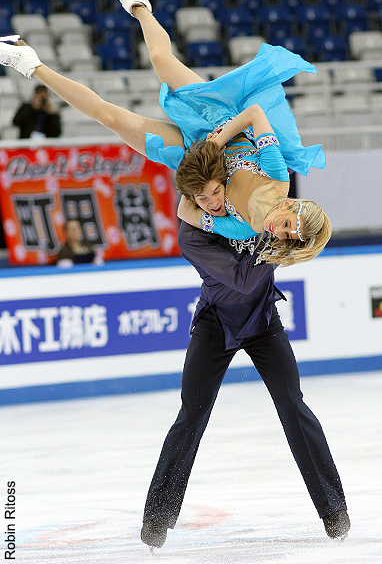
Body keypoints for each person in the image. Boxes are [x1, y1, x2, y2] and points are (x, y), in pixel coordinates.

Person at [0, 0, 329, 267]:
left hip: (192, 156)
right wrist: (220, 139)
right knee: (159, 58)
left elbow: (184, 212)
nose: (278, 230)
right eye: (287, 224)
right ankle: (138, 4)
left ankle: (29, 63)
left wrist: (197, 187)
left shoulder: (241, 226)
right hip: (217, 119)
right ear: (291, 208)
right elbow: (255, 113)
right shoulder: (277, 178)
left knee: (110, 118)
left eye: (287, 236)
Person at [140, 220, 350, 550]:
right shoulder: (192, 234)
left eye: (214, 192)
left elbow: (290, 207)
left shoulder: (256, 205)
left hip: (264, 320)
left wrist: (300, 227)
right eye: (202, 196)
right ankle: (157, 516)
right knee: (191, 415)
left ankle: (334, 509)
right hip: (215, 323)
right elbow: (243, 280)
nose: (209, 201)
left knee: (293, 406)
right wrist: (280, 244)